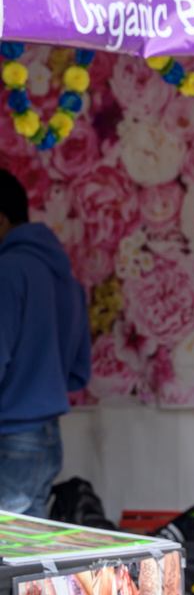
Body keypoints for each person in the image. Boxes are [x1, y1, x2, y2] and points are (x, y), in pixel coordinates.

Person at [0, 169, 90, 517]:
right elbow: (78, 369)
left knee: (8, 558)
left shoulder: (8, 271)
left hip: (10, 435)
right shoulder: (63, 276)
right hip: (46, 436)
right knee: (25, 561)